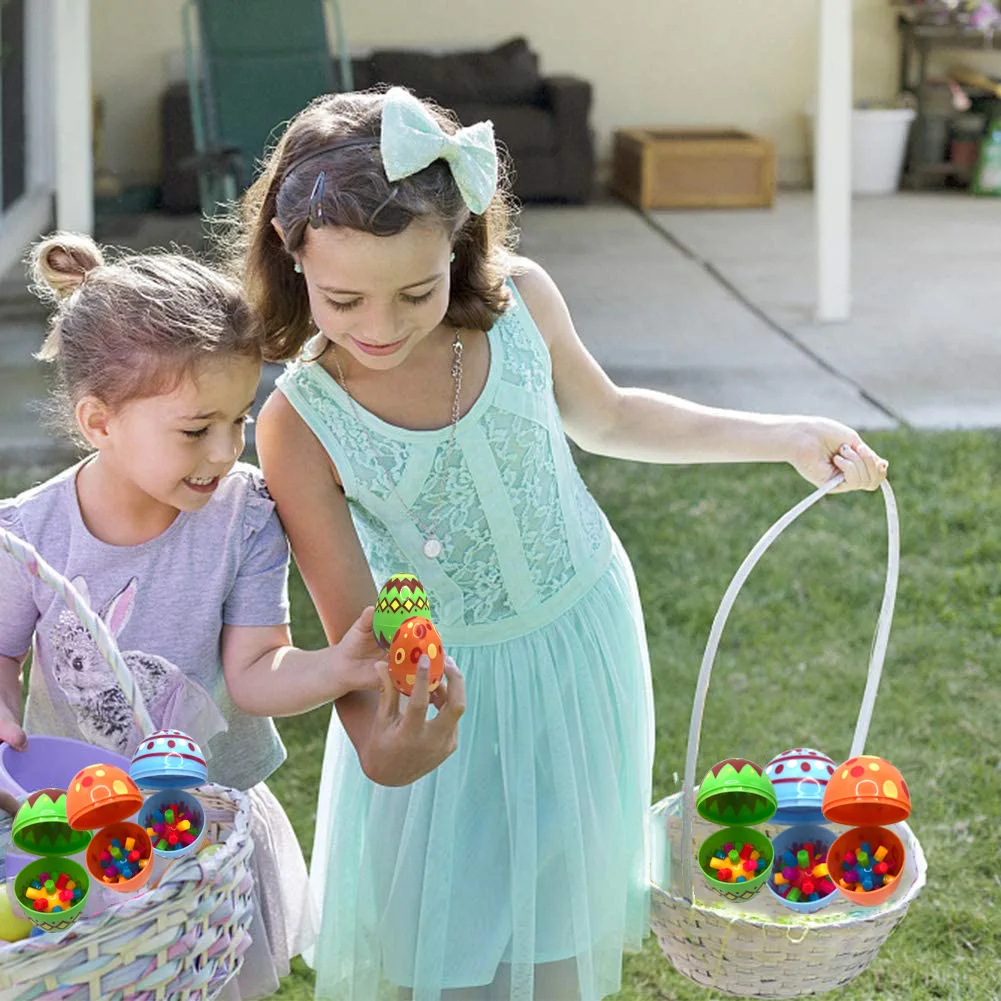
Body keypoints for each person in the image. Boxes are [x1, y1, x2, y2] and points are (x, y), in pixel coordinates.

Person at [239, 87, 889, 1001]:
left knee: (558, 908)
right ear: (291, 255)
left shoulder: (519, 304)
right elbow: (358, 636)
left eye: (416, 291)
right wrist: (381, 740)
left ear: (458, 247)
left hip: (579, 640)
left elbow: (612, 415)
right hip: (444, 691)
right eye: (345, 298)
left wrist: (783, 434)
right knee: (448, 936)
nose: (381, 325)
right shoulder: (300, 422)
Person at [0, 233, 397, 998]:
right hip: (77, 829)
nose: (223, 450)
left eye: (239, 419)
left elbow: (254, 672)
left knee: (204, 978)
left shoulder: (243, 515)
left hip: (198, 824)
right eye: (195, 428)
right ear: (98, 421)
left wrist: (335, 666)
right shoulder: (30, 536)